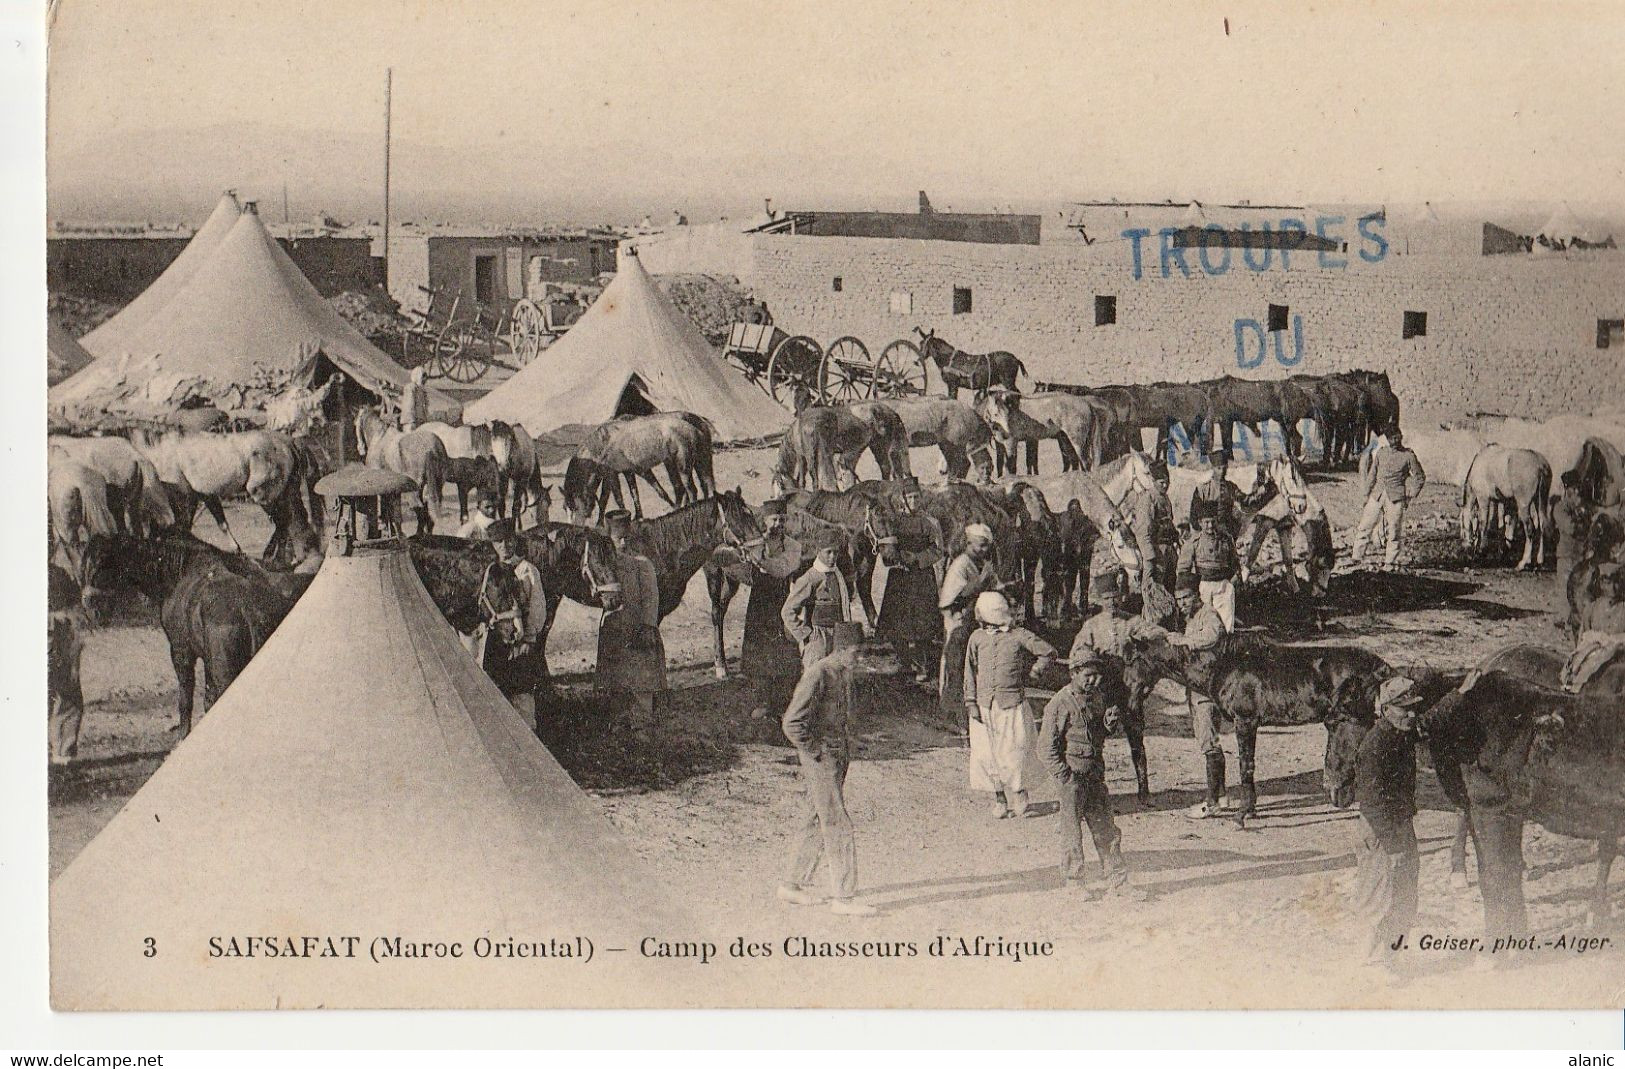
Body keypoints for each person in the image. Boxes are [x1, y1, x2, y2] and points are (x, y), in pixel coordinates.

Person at [777, 622, 887, 917]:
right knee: (838, 824)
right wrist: (815, 751)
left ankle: (791, 884)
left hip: (838, 755)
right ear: (842, 650)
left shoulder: (843, 672)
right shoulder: (819, 673)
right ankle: (844, 896)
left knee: (816, 817)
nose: (859, 658)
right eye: (856, 652)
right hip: (822, 758)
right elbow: (792, 723)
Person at [1039, 647, 1149, 900]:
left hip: (1095, 776)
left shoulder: (1097, 698)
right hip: (1071, 779)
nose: (1093, 680)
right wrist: (1065, 776)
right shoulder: (1059, 704)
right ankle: (1074, 882)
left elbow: (1096, 735)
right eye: (1088, 675)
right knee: (1072, 833)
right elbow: (1046, 747)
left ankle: (1118, 882)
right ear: (1074, 673)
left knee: (1107, 830)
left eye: (1097, 676)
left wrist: (1108, 725)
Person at [962, 590, 1057, 819]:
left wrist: (1036, 670)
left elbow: (1048, 652)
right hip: (984, 707)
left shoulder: (1018, 636)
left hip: (1012, 704)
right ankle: (999, 798)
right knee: (987, 754)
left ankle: (1020, 795)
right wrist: (971, 702)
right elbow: (970, 672)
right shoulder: (976, 638)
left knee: (1015, 751)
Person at [1351, 676, 1424, 970]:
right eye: (1404, 708)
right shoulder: (1375, 745)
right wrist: (1393, 845)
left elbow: (1428, 722)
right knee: (1379, 897)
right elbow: (1371, 803)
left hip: (1400, 825)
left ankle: (1391, 956)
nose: (1411, 714)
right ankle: (1370, 963)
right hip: (1381, 831)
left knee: (1405, 893)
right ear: (1386, 709)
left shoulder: (1400, 733)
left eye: (1413, 708)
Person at [1068, 572, 1169, 724]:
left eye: (1115, 597)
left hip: (1127, 681)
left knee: (1133, 719)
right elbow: (1077, 653)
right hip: (1101, 681)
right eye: (1107, 598)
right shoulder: (1092, 625)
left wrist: (1146, 636)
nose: (1112, 602)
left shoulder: (1131, 620)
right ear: (1101, 601)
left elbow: (1158, 632)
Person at [1167, 581, 1229, 819]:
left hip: (1207, 688)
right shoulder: (1192, 619)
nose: (1181, 604)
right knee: (1209, 741)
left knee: (1208, 742)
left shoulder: (1208, 614)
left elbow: (1213, 636)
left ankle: (1212, 802)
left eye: (1185, 598)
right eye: (1178, 599)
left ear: (1196, 595)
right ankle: (1221, 794)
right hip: (1198, 686)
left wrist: (1185, 641)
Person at [595, 510, 667, 715]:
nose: (623, 543)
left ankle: (642, 720)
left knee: (640, 679)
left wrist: (648, 626)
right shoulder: (603, 566)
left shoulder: (642, 563)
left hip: (637, 628)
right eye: (618, 539)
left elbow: (651, 598)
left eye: (626, 537)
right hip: (613, 627)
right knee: (613, 679)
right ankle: (617, 719)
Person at [738, 498, 805, 716]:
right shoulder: (755, 544)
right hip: (759, 605)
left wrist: (760, 560)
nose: (778, 524)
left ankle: (785, 703)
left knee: (784, 653)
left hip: (782, 603)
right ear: (765, 521)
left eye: (782, 519)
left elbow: (783, 569)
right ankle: (762, 702)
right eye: (774, 519)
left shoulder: (794, 546)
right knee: (759, 654)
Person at [874, 479, 944, 683]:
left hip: (922, 576)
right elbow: (884, 541)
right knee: (896, 621)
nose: (913, 501)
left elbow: (938, 550)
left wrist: (918, 558)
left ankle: (923, 664)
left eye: (916, 497)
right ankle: (905, 662)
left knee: (922, 623)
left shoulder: (930, 522)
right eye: (909, 497)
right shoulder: (895, 521)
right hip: (900, 576)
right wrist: (893, 557)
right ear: (903, 499)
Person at [486, 519, 550, 724]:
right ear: (493, 545)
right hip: (495, 642)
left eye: (508, 541)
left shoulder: (526, 570)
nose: (504, 546)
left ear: (515, 541)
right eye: (499, 542)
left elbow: (538, 607)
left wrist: (529, 639)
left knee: (522, 694)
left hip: (520, 642)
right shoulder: (489, 572)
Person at [938, 523, 1000, 730]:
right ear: (969, 543)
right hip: (959, 623)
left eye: (986, 546)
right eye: (980, 545)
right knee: (957, 668)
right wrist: (981, 582)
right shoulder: (961, 564)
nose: (983, 550)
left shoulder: (982, 563)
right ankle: (952, 715)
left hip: (976, 624)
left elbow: (993, 585)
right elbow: (954, 598)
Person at [1349, 429, 1426, 570]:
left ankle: (1390, 562)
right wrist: (1365, 494)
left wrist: (1410, 496)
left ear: (1401, 437)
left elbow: (1420, 477)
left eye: (1397, 438)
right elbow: (1372, 475)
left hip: (1395, 498)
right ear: (1387, 439)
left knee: (1394, 531)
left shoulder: (1408, 456)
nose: (1394, 441)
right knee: (1365, 525)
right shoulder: (1381, 452)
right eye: (1391, 438)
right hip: (1377, 495)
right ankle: (1356, 557)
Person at [781, 543, 852, 667]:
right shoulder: (811, 577)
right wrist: (805, 633)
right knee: (816, 676)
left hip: (838, 634)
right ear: (818, 550)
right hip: (819, 638)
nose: (832, 556)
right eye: (828, 552)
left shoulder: (837, 573)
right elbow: (787, 610)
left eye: (836, 552)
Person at [48, 564, 86, 766]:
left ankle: (63, 755)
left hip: (61, 646)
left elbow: (76, 610)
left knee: (70, 700)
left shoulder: (60, 574)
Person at [1177, 511, 1239, 631]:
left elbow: (1235, 564)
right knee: (1204, 621)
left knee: (1226, 623)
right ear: (1200, 523)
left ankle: (1225, 647)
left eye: (1213, 521)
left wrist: (1231, 583)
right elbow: (1183, 570)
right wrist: (1192, 590)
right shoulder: (1194, 542)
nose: (1210, 526)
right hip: (1203, 586)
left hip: (1223, 586)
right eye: (1206, 522)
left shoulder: (1226, 539)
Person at [1552, 471, 1588, 620]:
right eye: (1574, 489)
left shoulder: (1583, 509)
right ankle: (1565, 620)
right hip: (1566, 556)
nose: (1577, 492)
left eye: (1578, 488)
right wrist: (1583, 520)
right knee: (1566, 591)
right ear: (1568, 490)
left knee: (1580, 590)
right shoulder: (1560, 508)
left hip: (1581, 556)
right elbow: (1571, 528)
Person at [1189, 445, 1241, 534]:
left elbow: (1244, 503)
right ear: (1213, 468)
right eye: (1219, 468)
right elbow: (1194, 516)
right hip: (1207, 531)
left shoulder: (1231, 487)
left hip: (1226, 531)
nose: (1222, 472)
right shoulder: (1203, 489)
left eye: (1224, 468)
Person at [401, 365, 430, 432]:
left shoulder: (422, 391)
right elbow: (408, 405)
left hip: (420, 422)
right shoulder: (411, 388)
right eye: (423, 377)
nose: (424, 380)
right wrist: (411, 421)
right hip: (411, 422)